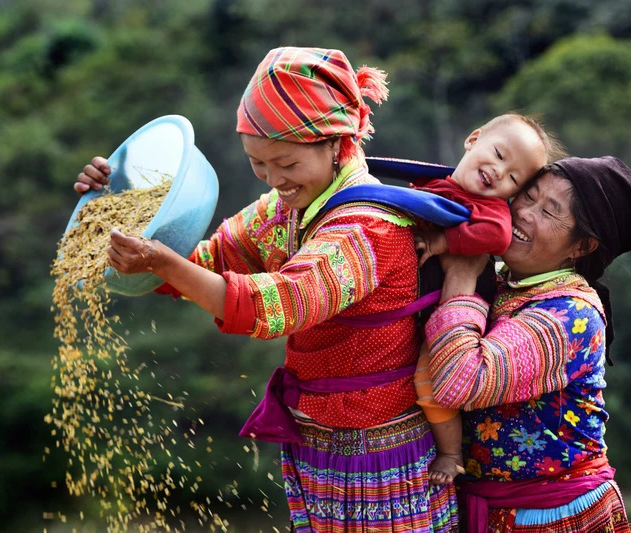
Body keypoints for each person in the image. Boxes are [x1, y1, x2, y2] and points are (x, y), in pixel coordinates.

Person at [75, 47, 458, 532]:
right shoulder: (288, 210)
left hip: (382, 457)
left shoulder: (366, 229)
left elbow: (278, 305)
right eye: (258, 164)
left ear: (338, 145)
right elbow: (202, 265)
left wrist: (162, 262)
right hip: (320, 446)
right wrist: (115, 202)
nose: (275, 180)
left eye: (287, 163)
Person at [424, 156, 631, 532]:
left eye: (549, 211)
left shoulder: (570, 315)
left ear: (582, 247)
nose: (524, 213)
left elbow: (460, 382)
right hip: (487, 507)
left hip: (553, 515)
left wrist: (460, 279)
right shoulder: (499, 280)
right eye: (527, 196)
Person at [411, 113, 565, 485]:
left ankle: (450, 453)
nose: (498, 172)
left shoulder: (491, 212)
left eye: (513, 178)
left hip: (463, 306)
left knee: (427, 382)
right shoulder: (435, 185)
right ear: (473, 138)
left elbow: (495, 237)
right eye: (497, 154)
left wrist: (443, 242)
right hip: (421, 303)